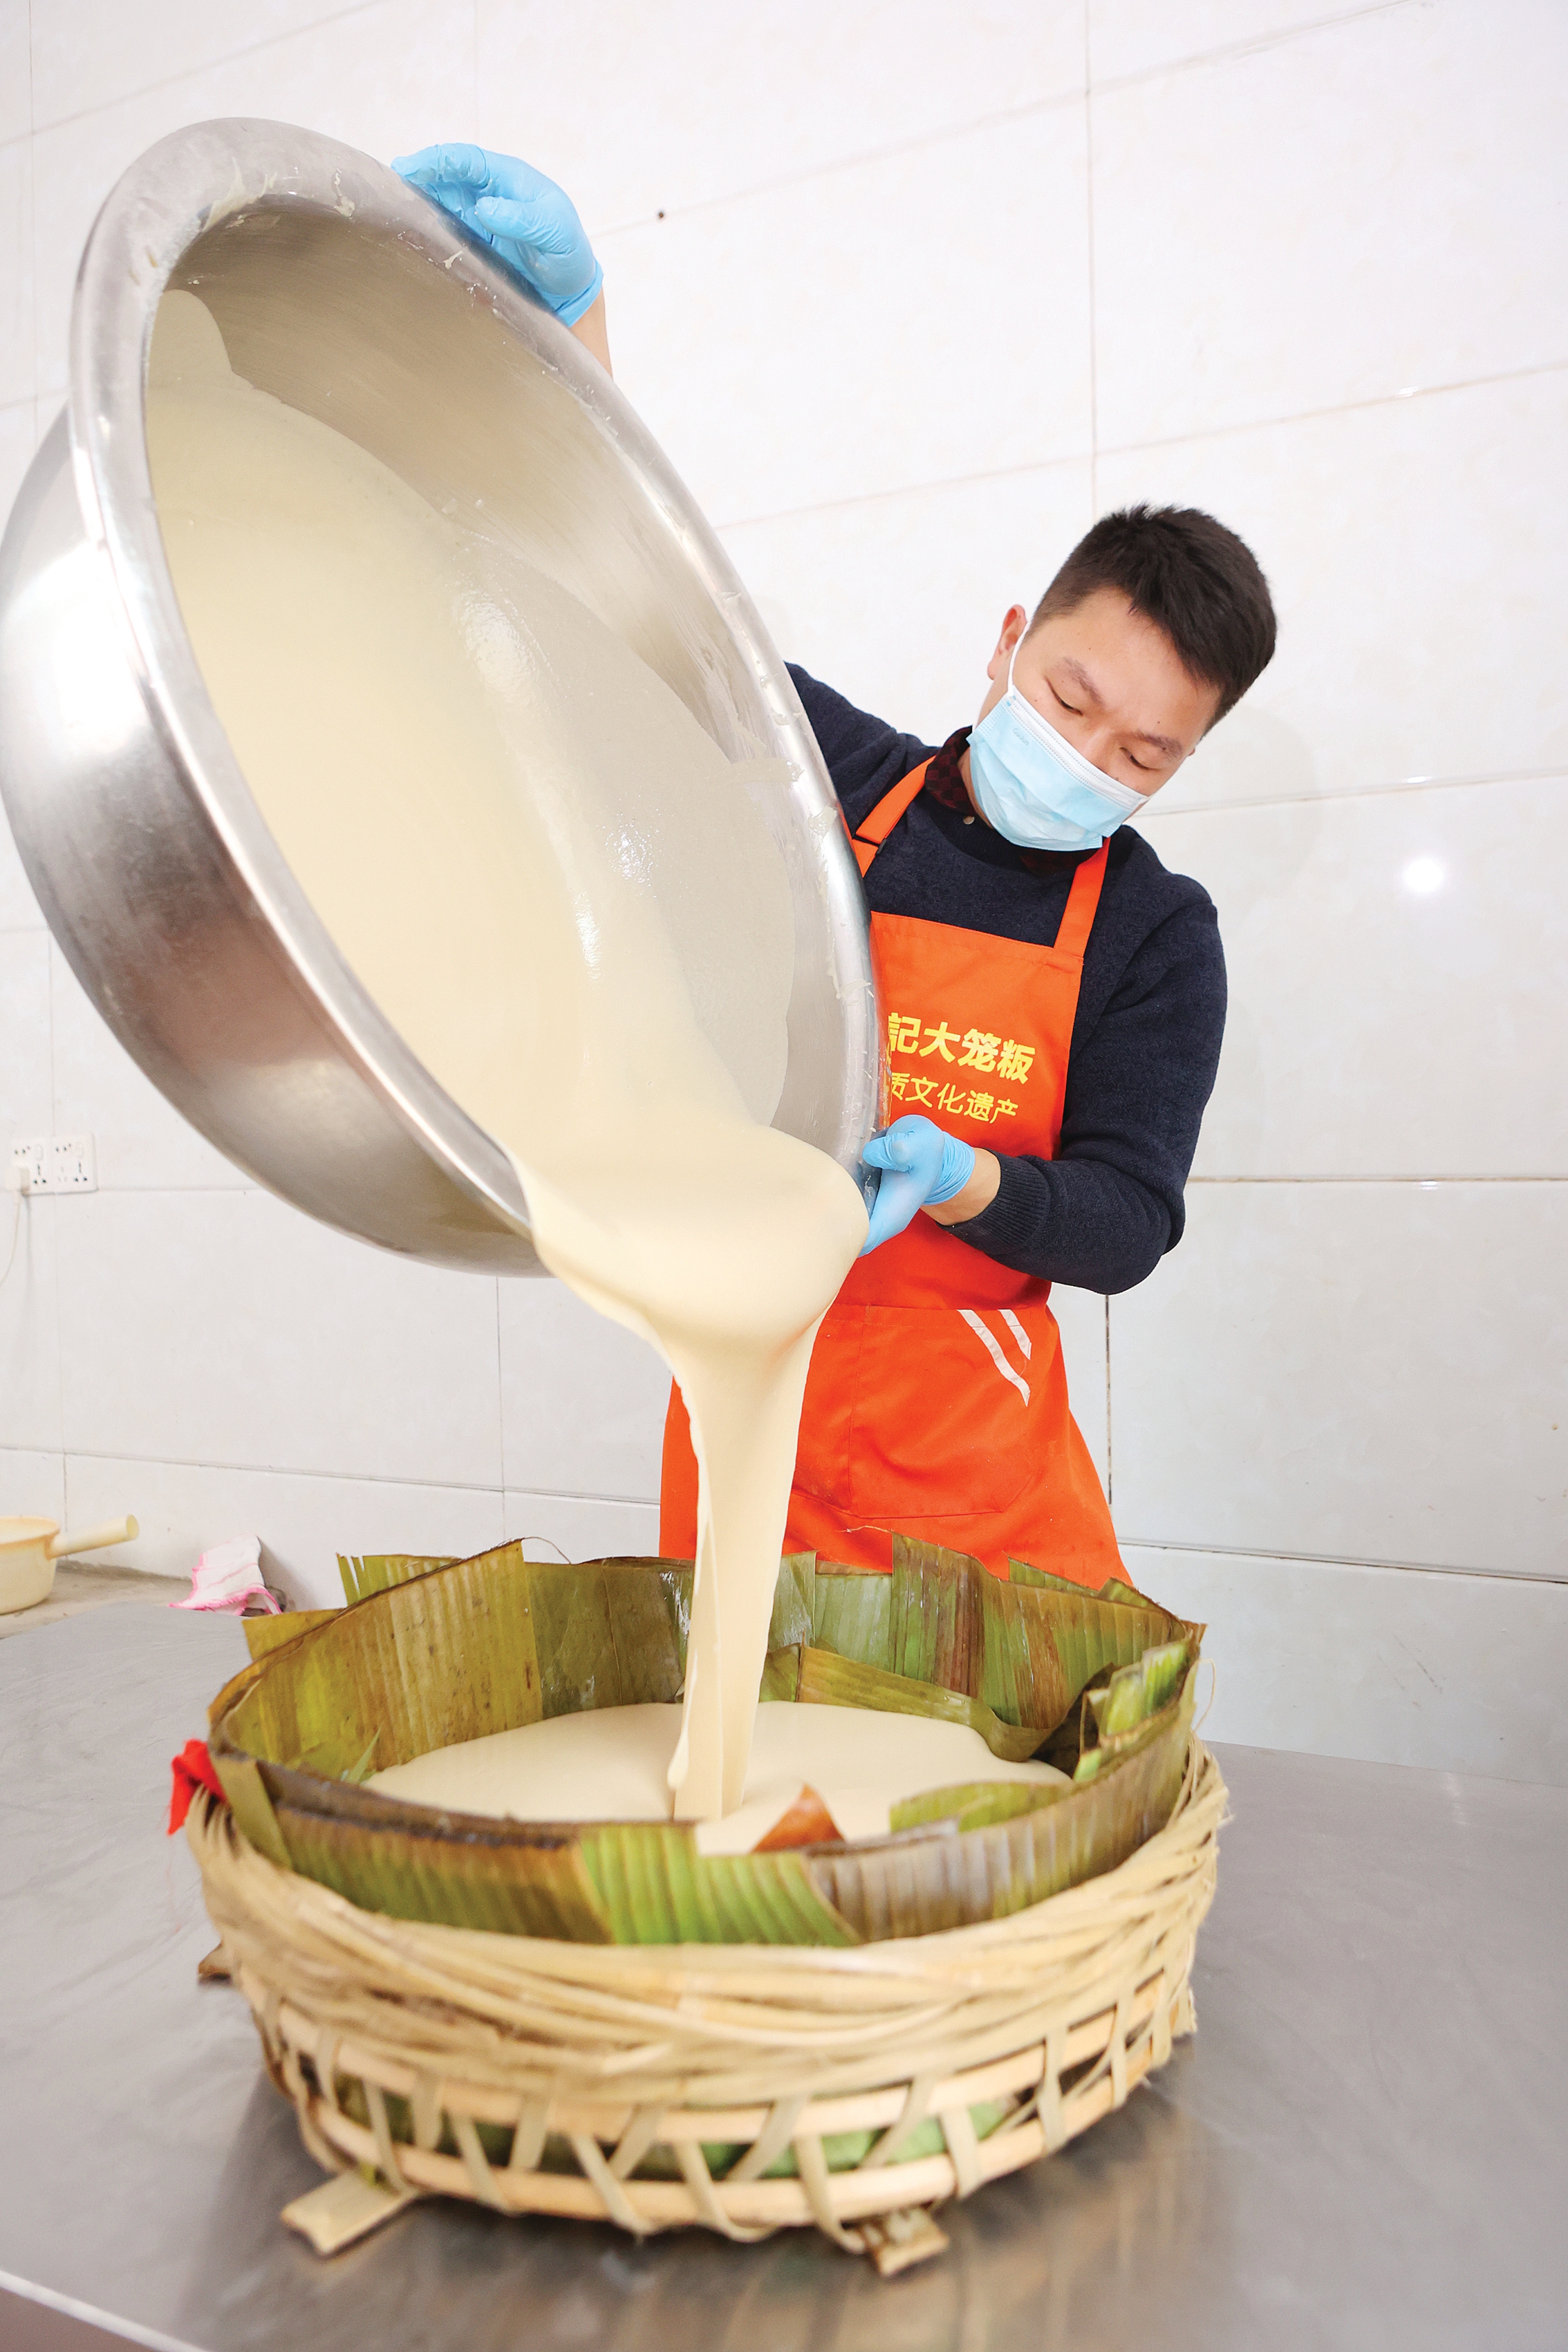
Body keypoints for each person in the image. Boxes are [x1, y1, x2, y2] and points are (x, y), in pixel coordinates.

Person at [395, 145, 1278, 1588]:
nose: (1086, 760)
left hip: (979, 1495)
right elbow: (642, 600)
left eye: (1143, 755)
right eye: (1071, 700)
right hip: (760, 1405)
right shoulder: (834, 781)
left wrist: (968, 1181)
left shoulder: (1155, 931)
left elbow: (1127, 1223)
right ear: (1010, 638)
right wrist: (580, 340)